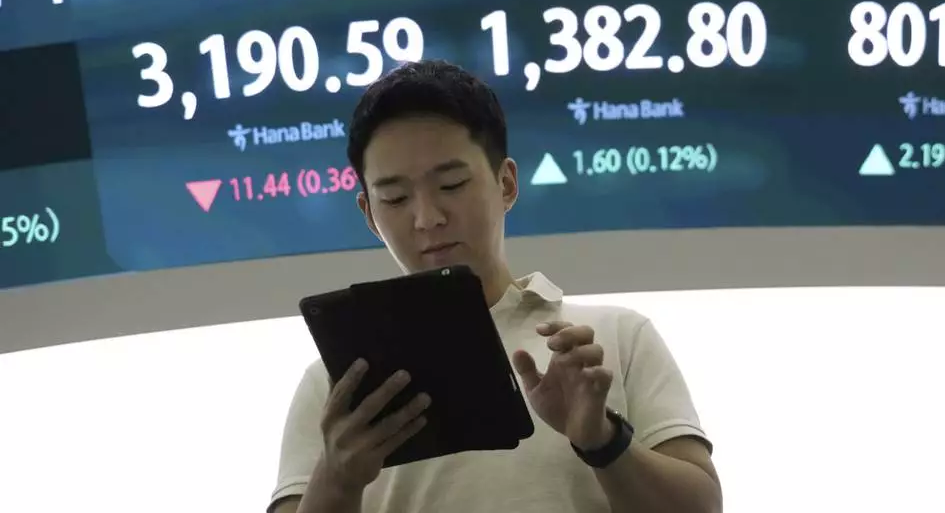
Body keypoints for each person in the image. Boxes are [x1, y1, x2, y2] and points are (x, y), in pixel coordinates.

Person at [268, 60, 721, 513]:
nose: (428, 219)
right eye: (395, 199)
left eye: (452, 184)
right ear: (369, 214)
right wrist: (338, 478)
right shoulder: (337, 386)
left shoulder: (613, 340)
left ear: (506, 183)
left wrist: (602, 440)